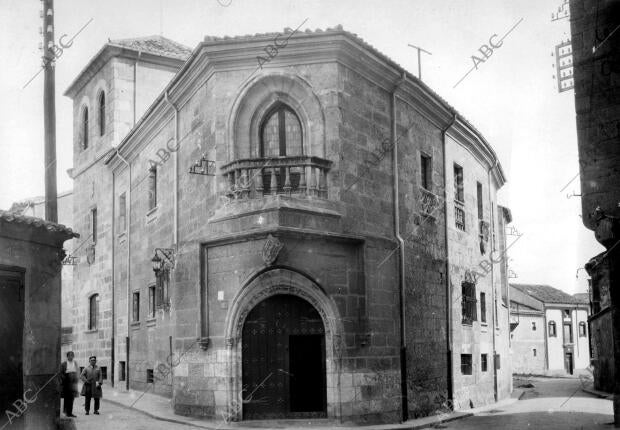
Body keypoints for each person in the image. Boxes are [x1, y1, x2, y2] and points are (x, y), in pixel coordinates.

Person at [59, 351, 79, 417]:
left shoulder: (75, 363)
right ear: (67, 356)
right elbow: (61, 373)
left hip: (73, 382)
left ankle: (70, 412)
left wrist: (76, 379)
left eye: (72, 356)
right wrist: (64, 379)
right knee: (67, 398)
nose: (71, 357)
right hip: (66, 382)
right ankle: (66, 412)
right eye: (69, 356)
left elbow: (78, 372)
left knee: (72, 398)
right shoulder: (64, 364)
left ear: (73, 356)